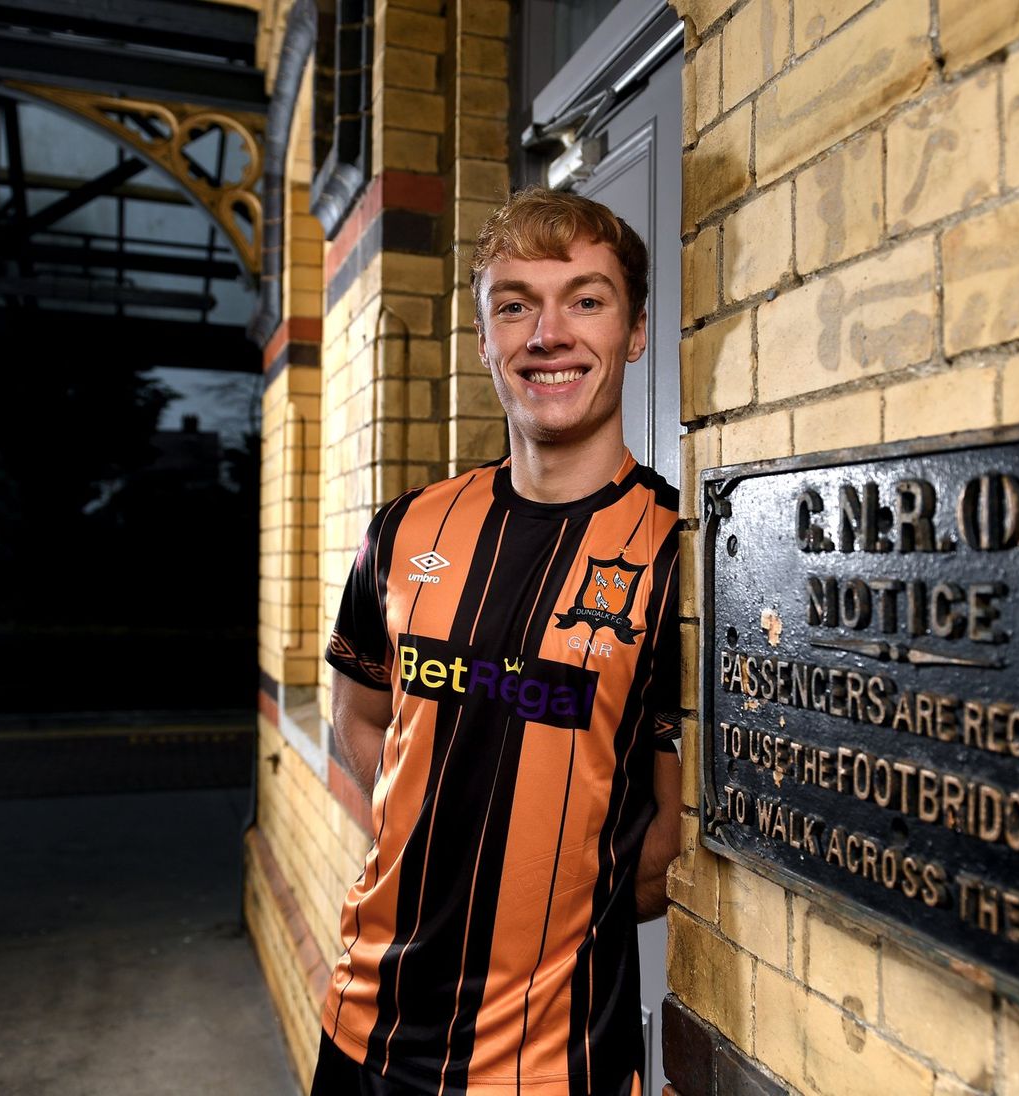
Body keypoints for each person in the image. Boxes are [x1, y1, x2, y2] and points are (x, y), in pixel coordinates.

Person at [311, 187, 683, 1096]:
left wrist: (558, 898)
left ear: (636, 331)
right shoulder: (404, 530)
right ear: (484, 341)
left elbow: (673, 841)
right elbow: (358, 715)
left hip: (555, 1066)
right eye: (515, 306)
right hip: (361, 1029)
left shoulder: (679, 554)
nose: (549, 335)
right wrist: (425, 835)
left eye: (585, 301)